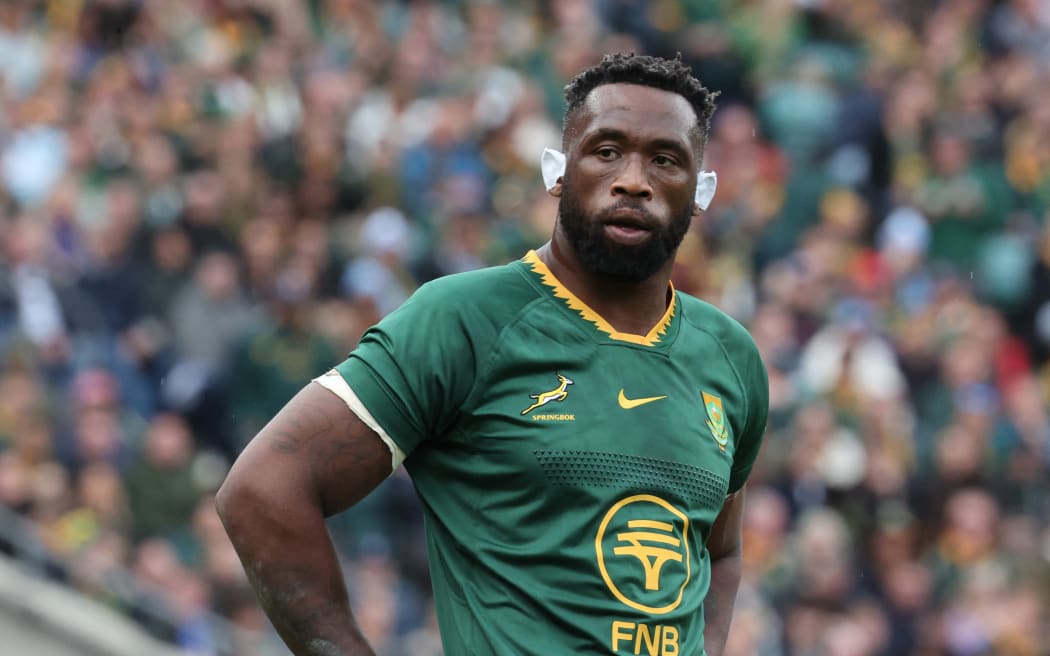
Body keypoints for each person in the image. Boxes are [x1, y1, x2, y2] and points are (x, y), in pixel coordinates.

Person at [216, 53, 769, 656]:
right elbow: (262, 488)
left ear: (701, 191)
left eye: (665, 159)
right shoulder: (462, 320)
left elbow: (720, 552)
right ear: (557, 171)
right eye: (606, 151)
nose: (633, 179)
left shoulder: (730, 357)